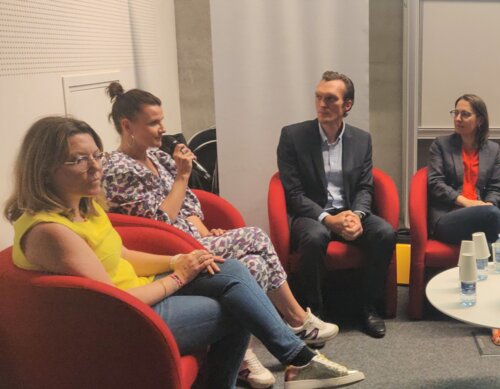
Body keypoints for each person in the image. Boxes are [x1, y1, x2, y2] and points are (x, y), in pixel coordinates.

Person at [5, 116, 364, 389]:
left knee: (236, 270)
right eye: (77, 160)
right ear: (44, 169)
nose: (96, 167)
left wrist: (177, 260)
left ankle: (297, 357)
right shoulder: (51, 231)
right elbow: (116, 300)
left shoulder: (82, 205)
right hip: (126, 320)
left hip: (140, 294)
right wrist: (180, 275)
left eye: (96, 155)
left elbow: (122, 254)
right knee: (237, 306)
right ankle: (296, 356)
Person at [99, 82, 338, 389]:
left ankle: (244, 357)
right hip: (172, 248)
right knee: (254, 236)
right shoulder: (118, 167)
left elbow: (188, 207)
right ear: (127, 125)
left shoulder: (157, 157)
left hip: (192, 237)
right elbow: (157, 221)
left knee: (255, 265)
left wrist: (206, 229)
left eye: (162, 120)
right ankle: (296, 321)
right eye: (153, 122)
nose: (163, 128)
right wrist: (183, 175)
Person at [277, 71, 396, 339]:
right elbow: (293, 193)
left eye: (330, 99)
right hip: (312, 213)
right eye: (318, 98)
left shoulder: (361, 139)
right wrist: (328, 219)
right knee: (315, 237)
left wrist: (355, 215)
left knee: (385, 232)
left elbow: (366, 186)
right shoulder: (293, 136)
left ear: (347, 105)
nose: (322, 104)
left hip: (349, 210)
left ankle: (368, 307)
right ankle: (314, 314)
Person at [427, 94, 500, 346]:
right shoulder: (440, 145)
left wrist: (487, 205)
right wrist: (469, 203)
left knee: (490, 214)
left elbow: (496, 189)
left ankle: (497, 312)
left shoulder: (493, 150)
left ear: (479, 119)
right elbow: (435, 185)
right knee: (490, 215)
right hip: (447, 220)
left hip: (482, 218)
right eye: (455, 113)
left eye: (465, 114)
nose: (458, 118)